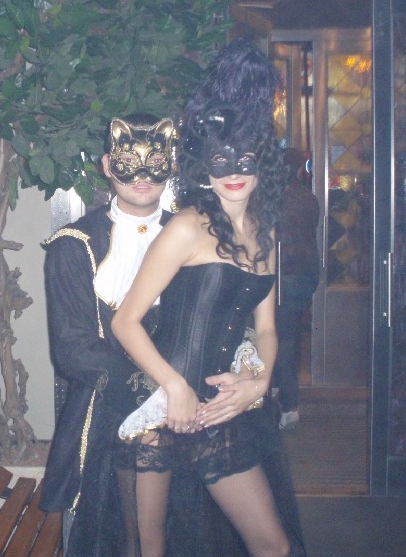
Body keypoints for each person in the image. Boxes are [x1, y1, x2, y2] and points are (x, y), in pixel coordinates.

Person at [112, 38, 306, 557]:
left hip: (223, 411)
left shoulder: (266, 232)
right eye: (220, 160)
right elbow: (126, 321)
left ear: (262, 162)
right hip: (159, 405)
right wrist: (175, 387)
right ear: (203, 166)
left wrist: (259, 382)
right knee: (150, 547)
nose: (233, 172)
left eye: (245, 159)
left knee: (272, 545)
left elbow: (267, 327)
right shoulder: (187, 227)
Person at [40, 113, 178, 556]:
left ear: (171, 163)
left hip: (189, 404)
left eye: (154, 162)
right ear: (106, 164)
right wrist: (152, 398)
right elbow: (74, 349)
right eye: (128, 163)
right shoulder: (74, 245)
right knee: (123, 535)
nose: (142, 176)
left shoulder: (193, 236)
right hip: (108, 407)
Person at [274, 147, 320, 430]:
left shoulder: (275, 197)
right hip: (306, 271)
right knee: (288, 335)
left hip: (284, 273)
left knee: (281, 339)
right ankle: (283, 397)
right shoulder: (308, 197)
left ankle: (288, 405)